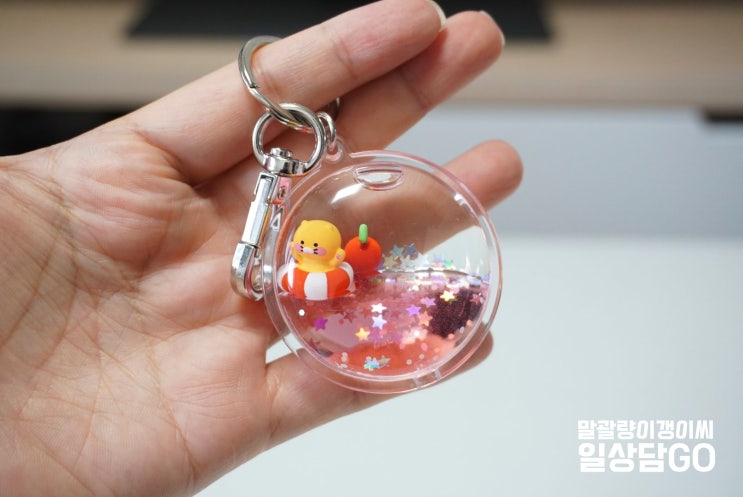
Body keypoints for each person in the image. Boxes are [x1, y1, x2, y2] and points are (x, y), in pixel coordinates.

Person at [0, 0, 522, 495]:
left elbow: (338, 274)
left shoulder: (332, 264)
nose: (310, 245)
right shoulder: (299, 265)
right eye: (308, 244)